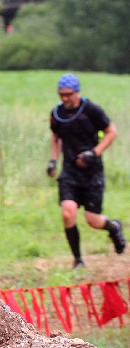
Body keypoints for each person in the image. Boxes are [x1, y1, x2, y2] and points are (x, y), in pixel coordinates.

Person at [47, 73, 125, 268]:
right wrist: (53, 161)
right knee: (68, 213)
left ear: (77, 92)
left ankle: (114, 227)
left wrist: (94, 152)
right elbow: (56, 137)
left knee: (93, 220)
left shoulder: (91, 110)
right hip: (69, 171)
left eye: (68, 94)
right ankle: (78, 260)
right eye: (61, 94)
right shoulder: (57, 114)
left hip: (92, 173)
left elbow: (111, 132)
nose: (65, 98)